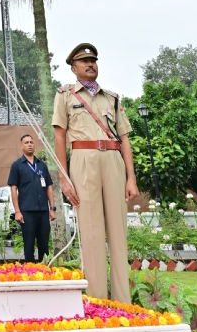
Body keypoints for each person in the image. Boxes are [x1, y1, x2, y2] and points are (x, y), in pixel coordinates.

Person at [52, 42, 139, 303]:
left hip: (113, 160)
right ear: (73, 68)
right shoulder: (65, 95)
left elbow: (124, 139)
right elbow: (59, 136)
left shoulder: (111, 98)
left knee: (117, 231)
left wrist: (131, 177)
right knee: (90, 232)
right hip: (83, 160)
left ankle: (123, 301)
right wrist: (64, 179)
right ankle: (98, 301)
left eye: (94, 60)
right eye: (84, 61)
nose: (91, 64)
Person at [8, 133, 56, 263]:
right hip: (27, 211)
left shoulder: (42, 165)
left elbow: (49, 187)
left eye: (31, 142)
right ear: (21, 146)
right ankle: (29, 272)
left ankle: (45, 271)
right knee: (28, 244)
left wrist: (52, 208)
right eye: (26, 142)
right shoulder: (17, 165)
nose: (29, 144)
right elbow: (13, 188)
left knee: (44, 244)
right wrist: (17, 211)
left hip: (43, 211)